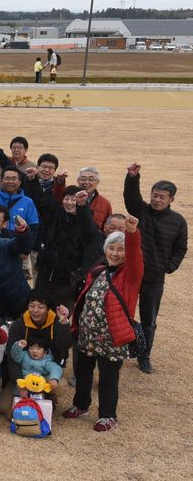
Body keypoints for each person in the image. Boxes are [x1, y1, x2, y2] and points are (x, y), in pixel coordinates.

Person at [63, 217, 143, 432]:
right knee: (83, 371)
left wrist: (132, 232)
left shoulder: (130, 275)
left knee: (108, 377)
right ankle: (81, 405)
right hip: (87, 334)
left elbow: (136, 257)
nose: (115, 253)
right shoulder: (98, 270)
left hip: (112, 337)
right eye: (111, 248)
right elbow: (84, 299)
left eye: (120, 249)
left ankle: (108, 416)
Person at [123, 164, 187, 373]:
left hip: (154, 278)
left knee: (149, 319)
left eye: (162, 197)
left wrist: (169, 267)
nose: (156, 199)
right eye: (154, 195)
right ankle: (119, 349)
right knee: (124, 313)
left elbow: (180, 248)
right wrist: (133, 177)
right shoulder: (140, 210)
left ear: (171, 200)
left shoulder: (178, 222)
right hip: (132, 275)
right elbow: (131, 195)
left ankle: (144, 355)